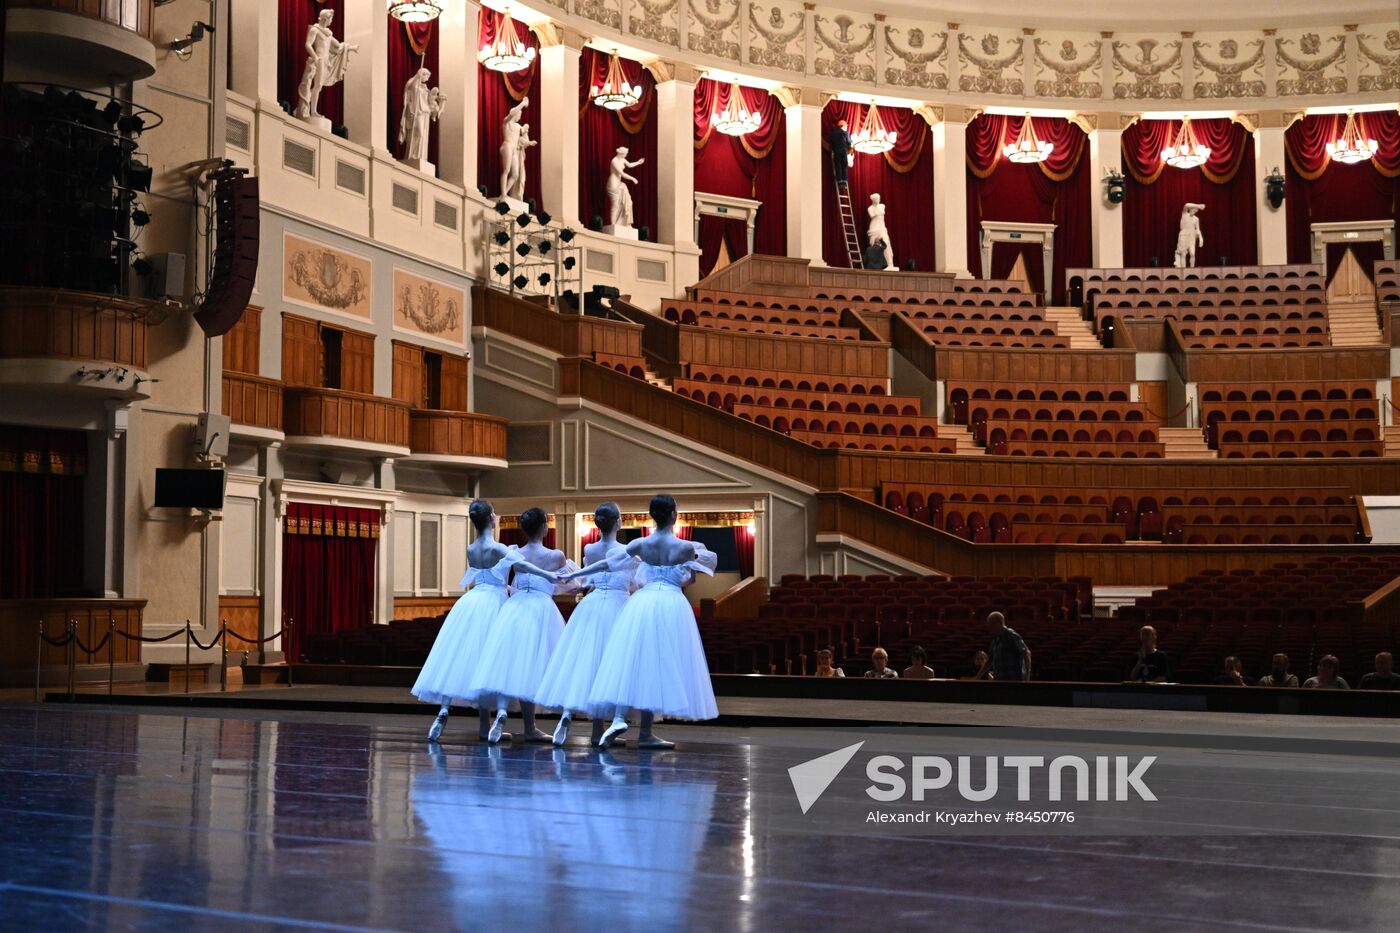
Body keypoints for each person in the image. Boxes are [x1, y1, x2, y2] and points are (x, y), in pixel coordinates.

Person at [570, 494, 719, 749]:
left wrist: (577, 573)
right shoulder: (684, 547)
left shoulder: (640, 543)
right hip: (671, 603)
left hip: (644, 601)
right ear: (673, 515)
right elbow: (702, 566)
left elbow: (608, 563)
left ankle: (619, 717)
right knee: (657, 662)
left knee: (635, 660)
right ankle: (646, 732)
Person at [412, 500, 560, 743]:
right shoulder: (499, 547)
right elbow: (522, 565)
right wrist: (547, 574)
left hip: (472, 601)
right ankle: (506, 715)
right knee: (497, 661)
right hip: (496, 603)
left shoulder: (471, 548)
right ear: (492, 518)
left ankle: (449, 713)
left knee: (471, 659)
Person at [466, 508, 574, 744]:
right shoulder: (555, 556)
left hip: (515, 608)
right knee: (533, 665)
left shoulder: (514, 551)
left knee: (511, 663)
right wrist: (574, 582)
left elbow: (516, 580)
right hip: (541, 608)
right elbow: (561, 585)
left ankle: (499, 714)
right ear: (545, 527)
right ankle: (530, 727)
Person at [535, 502, 639, 747]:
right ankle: (611, 724)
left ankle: (587, 725)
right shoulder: (626, 550)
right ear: (618, 522)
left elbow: (590, 577)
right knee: (613, 665)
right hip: (618, 605)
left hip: (591, 605)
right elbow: (632, 581)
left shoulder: (590, 548)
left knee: (588, 663)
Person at [294, 9, 357, 121]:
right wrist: (315, 57)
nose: (331, 21)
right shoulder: (315, 30)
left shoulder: (328, 33)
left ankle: (313, 111)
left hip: (325, 62)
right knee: (316, 85)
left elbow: (337, 46)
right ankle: (311, 111)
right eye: (330, 19)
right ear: (325, 19)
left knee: (318, 86)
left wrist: (351, 48)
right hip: (318, 60)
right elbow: (308, 44)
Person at [976, 611, 1031, 682]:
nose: (989, 627)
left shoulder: (1010, 635)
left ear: (999, 623)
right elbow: (989, 662)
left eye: (991, 624)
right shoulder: (995, 640)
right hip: (1000, 681)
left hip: (1013, 680)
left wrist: (1027, 675)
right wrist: (977, 677)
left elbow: (1026, 653)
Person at [606, 147, 646, 227]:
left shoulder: (622, 159)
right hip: (613, 184)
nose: (626, 155)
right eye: (626, 154)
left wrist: (638, 162)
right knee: (615, 205)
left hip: (619, 183)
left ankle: (619, 223)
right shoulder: (614, 161)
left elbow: (630, 165)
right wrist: (633, 178)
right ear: (621, 153)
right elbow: (622, 174)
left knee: (624, 203)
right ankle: (613, 224)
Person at [827, 118, 853, 184]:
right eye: (846, 126)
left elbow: (830, 143)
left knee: (838, 165)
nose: (846, 128)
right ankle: (844, 181)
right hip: (843, 151)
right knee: (844, 165)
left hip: (836, 152)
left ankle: (839, 181)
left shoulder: (832, 133)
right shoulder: (845, 133)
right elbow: (849, 142)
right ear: (843, 126)